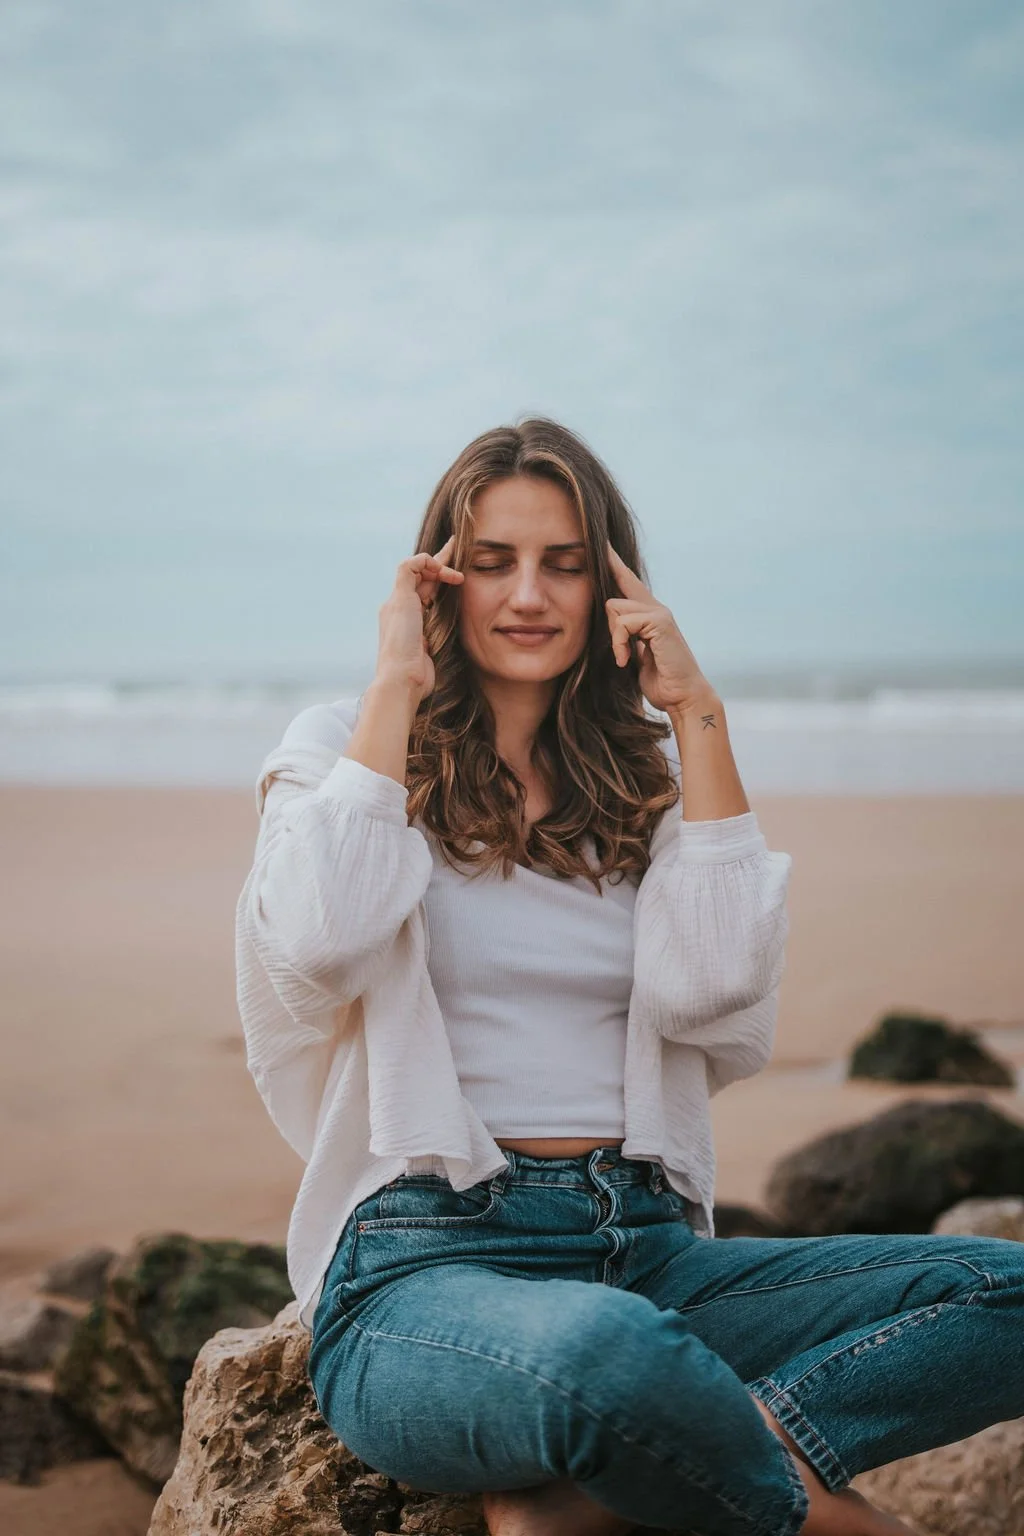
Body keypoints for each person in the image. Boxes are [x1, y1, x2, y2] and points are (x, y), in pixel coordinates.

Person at [235, 418, 1024, 1536]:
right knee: (600, 1352)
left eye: (563, 563)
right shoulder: (342, 749)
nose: (528, 595)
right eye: (493, 562)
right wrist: (393, 685)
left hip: (642, 1245)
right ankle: (822, 1520)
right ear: (438, 582)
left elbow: (713, 989)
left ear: (611, 586)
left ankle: (608, 1448)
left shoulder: (642, 790)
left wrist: (697, 714)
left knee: (1006, 1290)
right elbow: (320, 939)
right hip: (421, 1270)